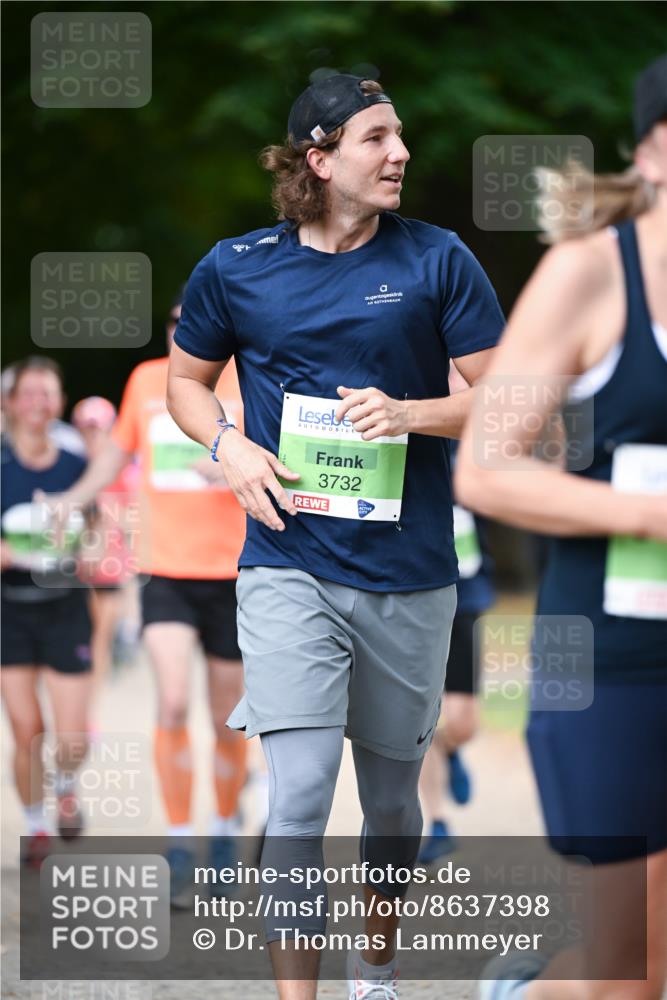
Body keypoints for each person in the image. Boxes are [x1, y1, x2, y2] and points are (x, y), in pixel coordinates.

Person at [167, 73, 504, 998]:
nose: (400, 154)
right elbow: (185, 383)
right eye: (375, 138)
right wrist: (229, 444)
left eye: (400, 136)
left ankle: (377, 963)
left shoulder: (438, 260)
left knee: (392, 800)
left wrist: (411, 413)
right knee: (303, 791)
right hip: (287, 564)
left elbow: (509, 403)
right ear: (317, 160)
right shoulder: (236, 265)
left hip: (409, 573)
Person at [456, 54, 667, 1000]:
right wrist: (647, 516)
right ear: (655, 149)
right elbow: (486, 467)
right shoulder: (591, 272)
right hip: (615, 653)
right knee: (628, 971)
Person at [56, 296, 248, 906]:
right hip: (164, 569)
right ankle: (179, 839)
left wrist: (234, 463)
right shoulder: (145, 380)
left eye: (197, 321)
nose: (184, 332)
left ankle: (221, 833)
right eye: (175, 324)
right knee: (169, 702)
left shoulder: (252, 376)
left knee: (225, 717)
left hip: (236, 571)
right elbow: (115, 454)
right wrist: (76, 497)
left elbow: (288, 455)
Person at [1, 356, 93, 866]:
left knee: (73, 737)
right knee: (25, 729)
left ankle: (65, 781)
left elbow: (104, 537)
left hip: (65, 606)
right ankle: (36, 827)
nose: (38, 404)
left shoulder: (76, 466)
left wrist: (91, 547)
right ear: (9, 403)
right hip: (9, 610)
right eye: (28, 394)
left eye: (48, 394)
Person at [418, 366, 496, 864]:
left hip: (466, 591)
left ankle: (450, 750)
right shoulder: (405, 420)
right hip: (417, 589)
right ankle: (437, 822)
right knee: (419, 718)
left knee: (463, 721)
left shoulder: (483, 435)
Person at [70, 395, 140, 714]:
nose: (92, 436)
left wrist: (107, 519)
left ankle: (90, 714)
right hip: (75, 568)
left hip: (109, 568)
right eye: (86, 429)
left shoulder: (123, 470)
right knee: (84, 640)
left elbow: (137, 519)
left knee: (97, 639)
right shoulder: (73, 465)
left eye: (98, 429)